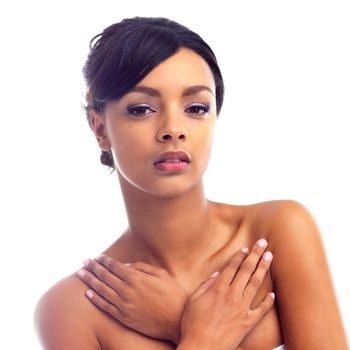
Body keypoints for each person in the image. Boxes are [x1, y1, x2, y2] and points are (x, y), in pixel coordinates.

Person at [34, 16, 348, 349]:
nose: (173, 128)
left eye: (196, 107)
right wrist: (201, 338)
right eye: (141, 109)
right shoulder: (71, 308)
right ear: (99, 130)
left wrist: (177, 321)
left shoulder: (278, 232)